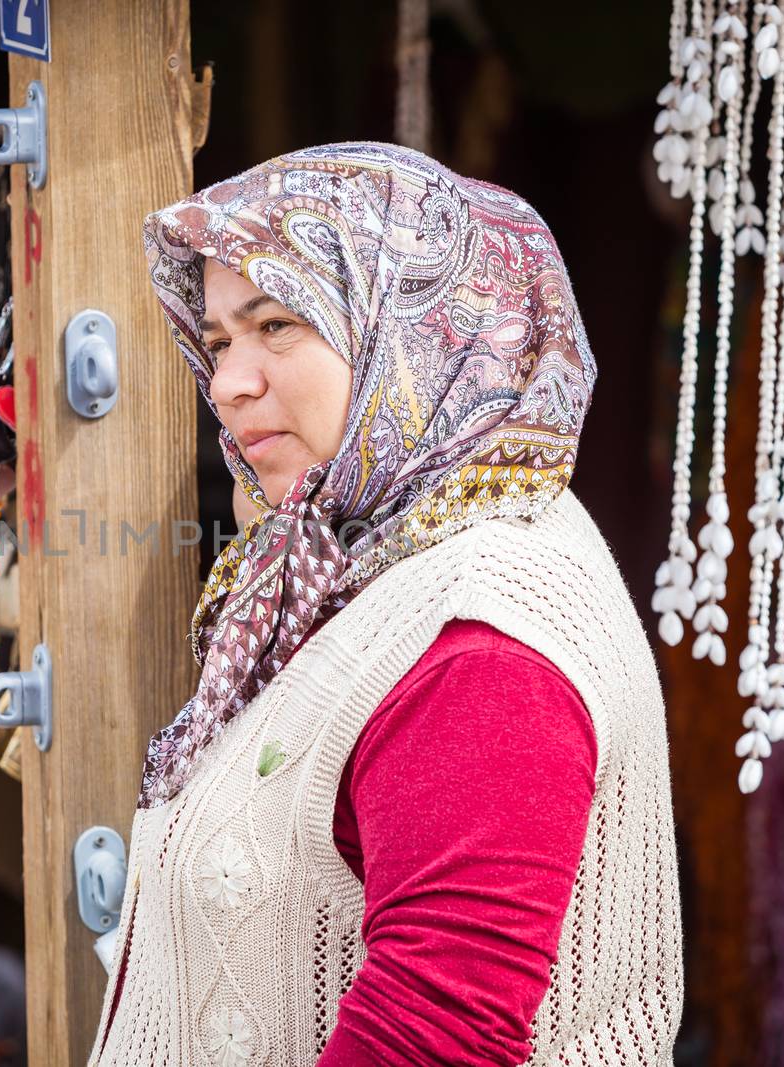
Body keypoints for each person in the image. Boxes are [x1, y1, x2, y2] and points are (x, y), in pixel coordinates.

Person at [90, 143, 683, 1066]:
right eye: (216, 341)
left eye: (277, 323)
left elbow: (435, 1034)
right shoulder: (385, 558)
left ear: (419, 329)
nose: (230, 382)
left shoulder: (484, 639)